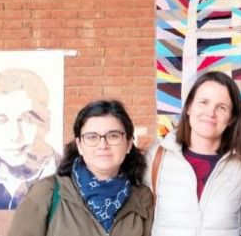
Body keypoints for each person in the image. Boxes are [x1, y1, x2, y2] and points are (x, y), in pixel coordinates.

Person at [8, 99, 153, 236]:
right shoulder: (47, 192)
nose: (103, 145)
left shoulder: (142, 198)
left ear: (128, 144)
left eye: (113, 136)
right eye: (92, 137)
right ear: (80, 145)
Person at [146, 71, 241, 236]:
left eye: (222, 107)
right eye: (203, 102)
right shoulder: (157, 158)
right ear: (189, 107)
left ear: (232, 118)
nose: (211, 113)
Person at [0, 68, 61, 209]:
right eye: (1, 121)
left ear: (46, 121)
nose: (15, 135)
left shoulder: (72, 178)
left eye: (26, 119)